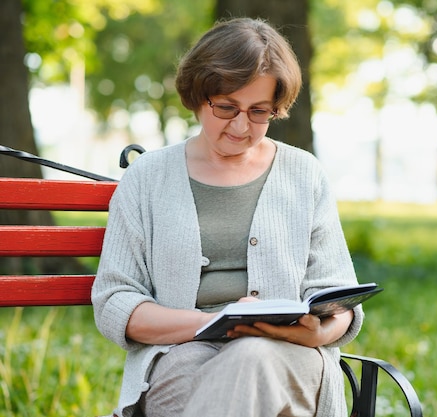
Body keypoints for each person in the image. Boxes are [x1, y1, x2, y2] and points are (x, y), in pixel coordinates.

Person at [91, 17, 364, 417]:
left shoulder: (303, 173)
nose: (240, 126)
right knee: (202, 381)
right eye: (226, 107)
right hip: (179, 355)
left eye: (259, 112)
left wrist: (320, 331)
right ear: (199, 95)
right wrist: (216, 321)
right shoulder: (147, 178)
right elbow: (117, 302)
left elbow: (339, 295)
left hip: (289, 358)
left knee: (250, 357)